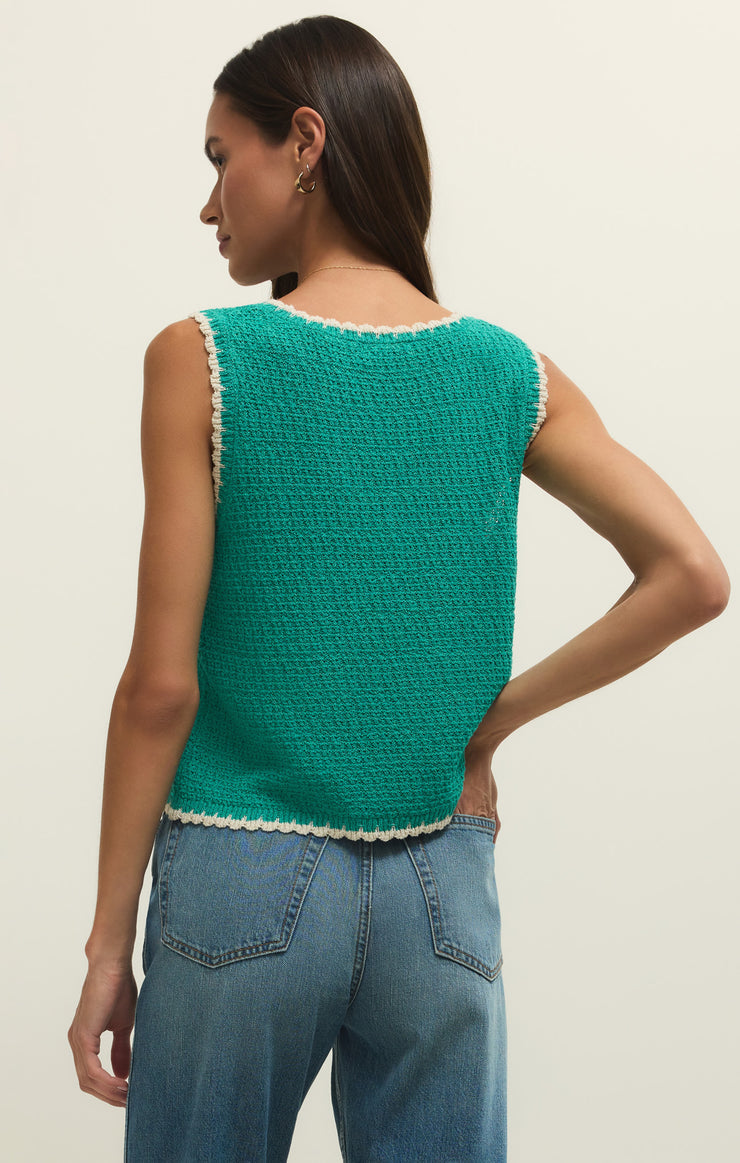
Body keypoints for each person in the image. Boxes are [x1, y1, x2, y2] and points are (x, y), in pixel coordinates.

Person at [67, 15, 730, 1162]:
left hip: (240, 867)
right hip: (441, 881)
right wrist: (487, 725)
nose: (209, 202)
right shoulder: (509, 370)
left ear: (303, 142)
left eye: (222, 158)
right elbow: (692, 574)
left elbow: (159, 690)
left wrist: (103, 944)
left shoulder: (203, 356)